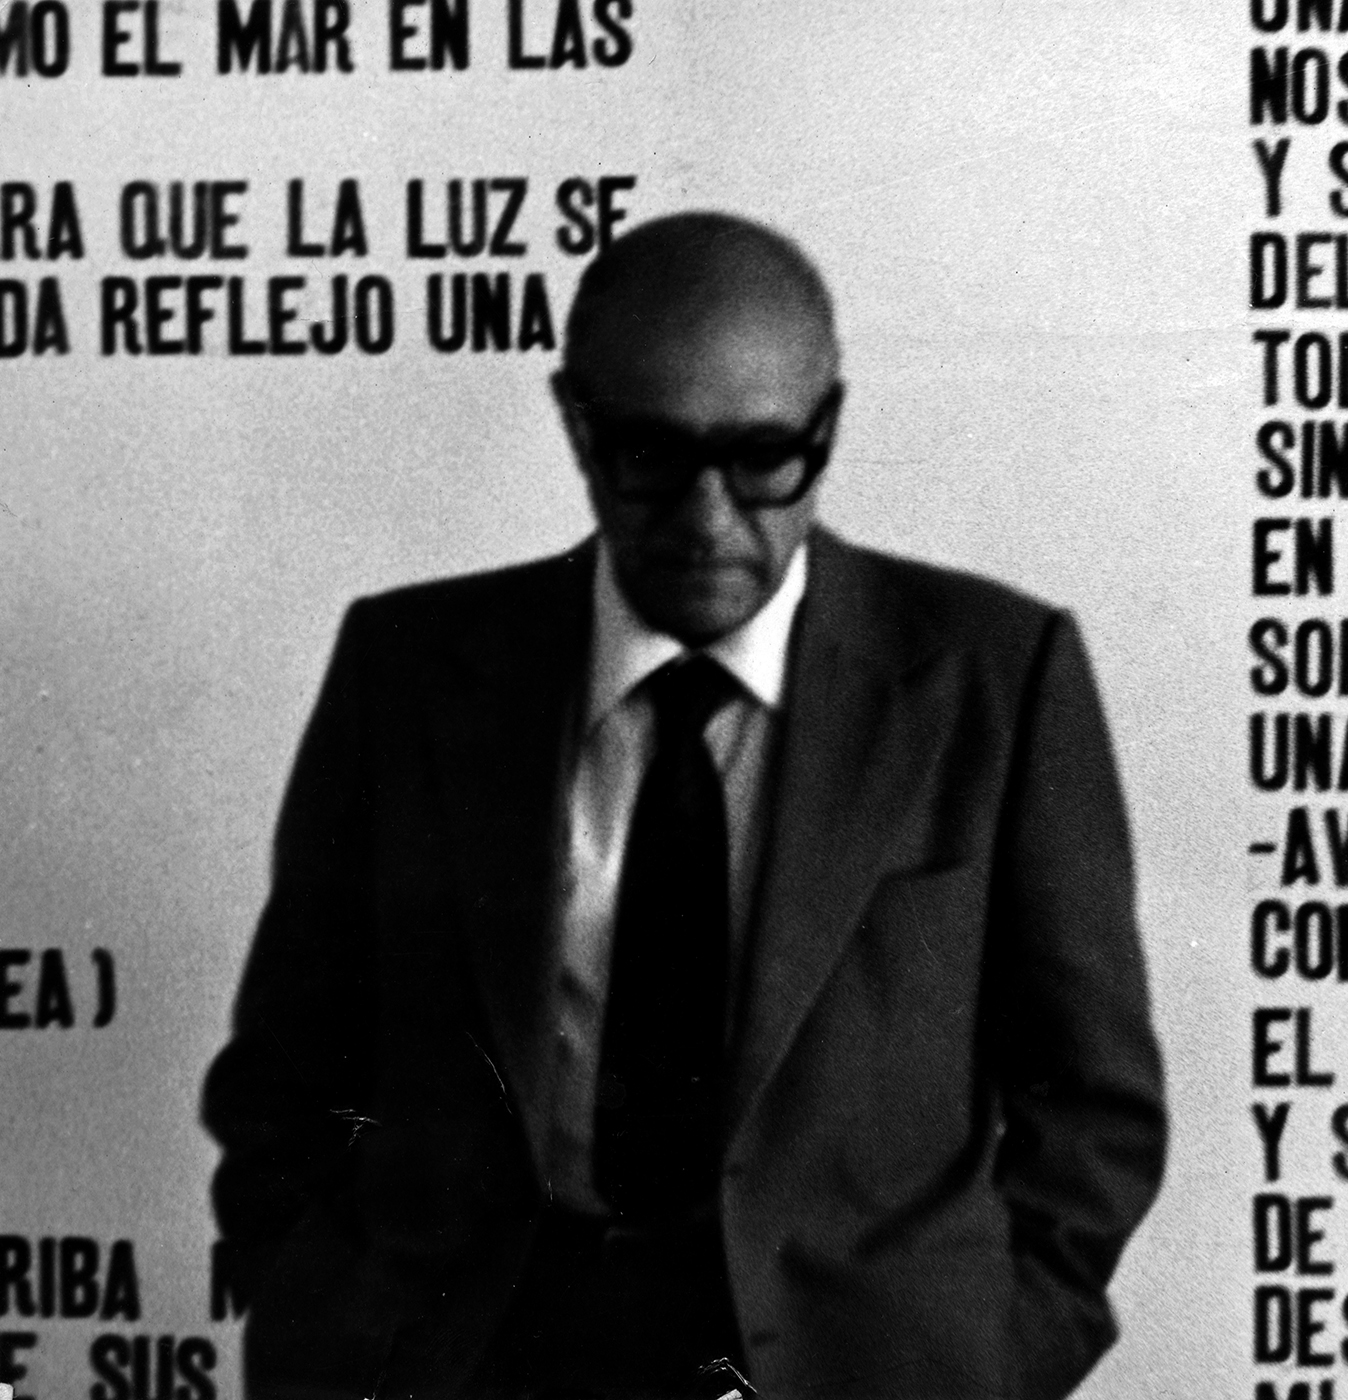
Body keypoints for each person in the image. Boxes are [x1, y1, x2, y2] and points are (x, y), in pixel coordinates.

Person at [202, 211, 1167, 1400]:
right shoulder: (407, 667)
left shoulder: (995, 678)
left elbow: (1093, 1104)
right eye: (650, 457)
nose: (708, 520)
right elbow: (290, 1063)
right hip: (474, 1361)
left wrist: (990, 1363)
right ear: (575, 424)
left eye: (763, 459)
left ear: (826, 426)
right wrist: (316, 1314)